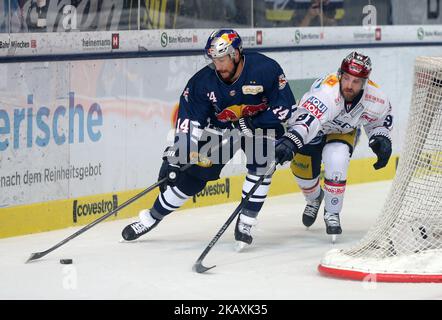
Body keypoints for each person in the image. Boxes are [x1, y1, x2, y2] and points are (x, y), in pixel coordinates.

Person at [121, 29, 296, 248]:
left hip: (258, 127)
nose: (218, 65)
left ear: (236, 54)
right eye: (214, 59)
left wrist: (255, 122)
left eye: (222, 59)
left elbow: (286, 106)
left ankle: (246, 221)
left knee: (262, 164)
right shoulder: (202, 82)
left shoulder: (265, 69)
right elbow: (190, 121)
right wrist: (182, 153)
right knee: (191, 179)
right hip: (221, 130)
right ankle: (151, 217)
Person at [274, 51, 393, 241]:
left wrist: (382, 139)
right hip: (315, 128)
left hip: (343, 131)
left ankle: (332, 213)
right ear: (340, 75)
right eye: (346, 79)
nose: (349, 85)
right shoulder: (327, 92)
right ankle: (314, 198)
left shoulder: (376, 97)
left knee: (337, 157)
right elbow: (308, 120)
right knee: (302, 173)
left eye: (356, 81)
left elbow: (379, 121)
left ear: (365, 82)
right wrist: (291, 140)